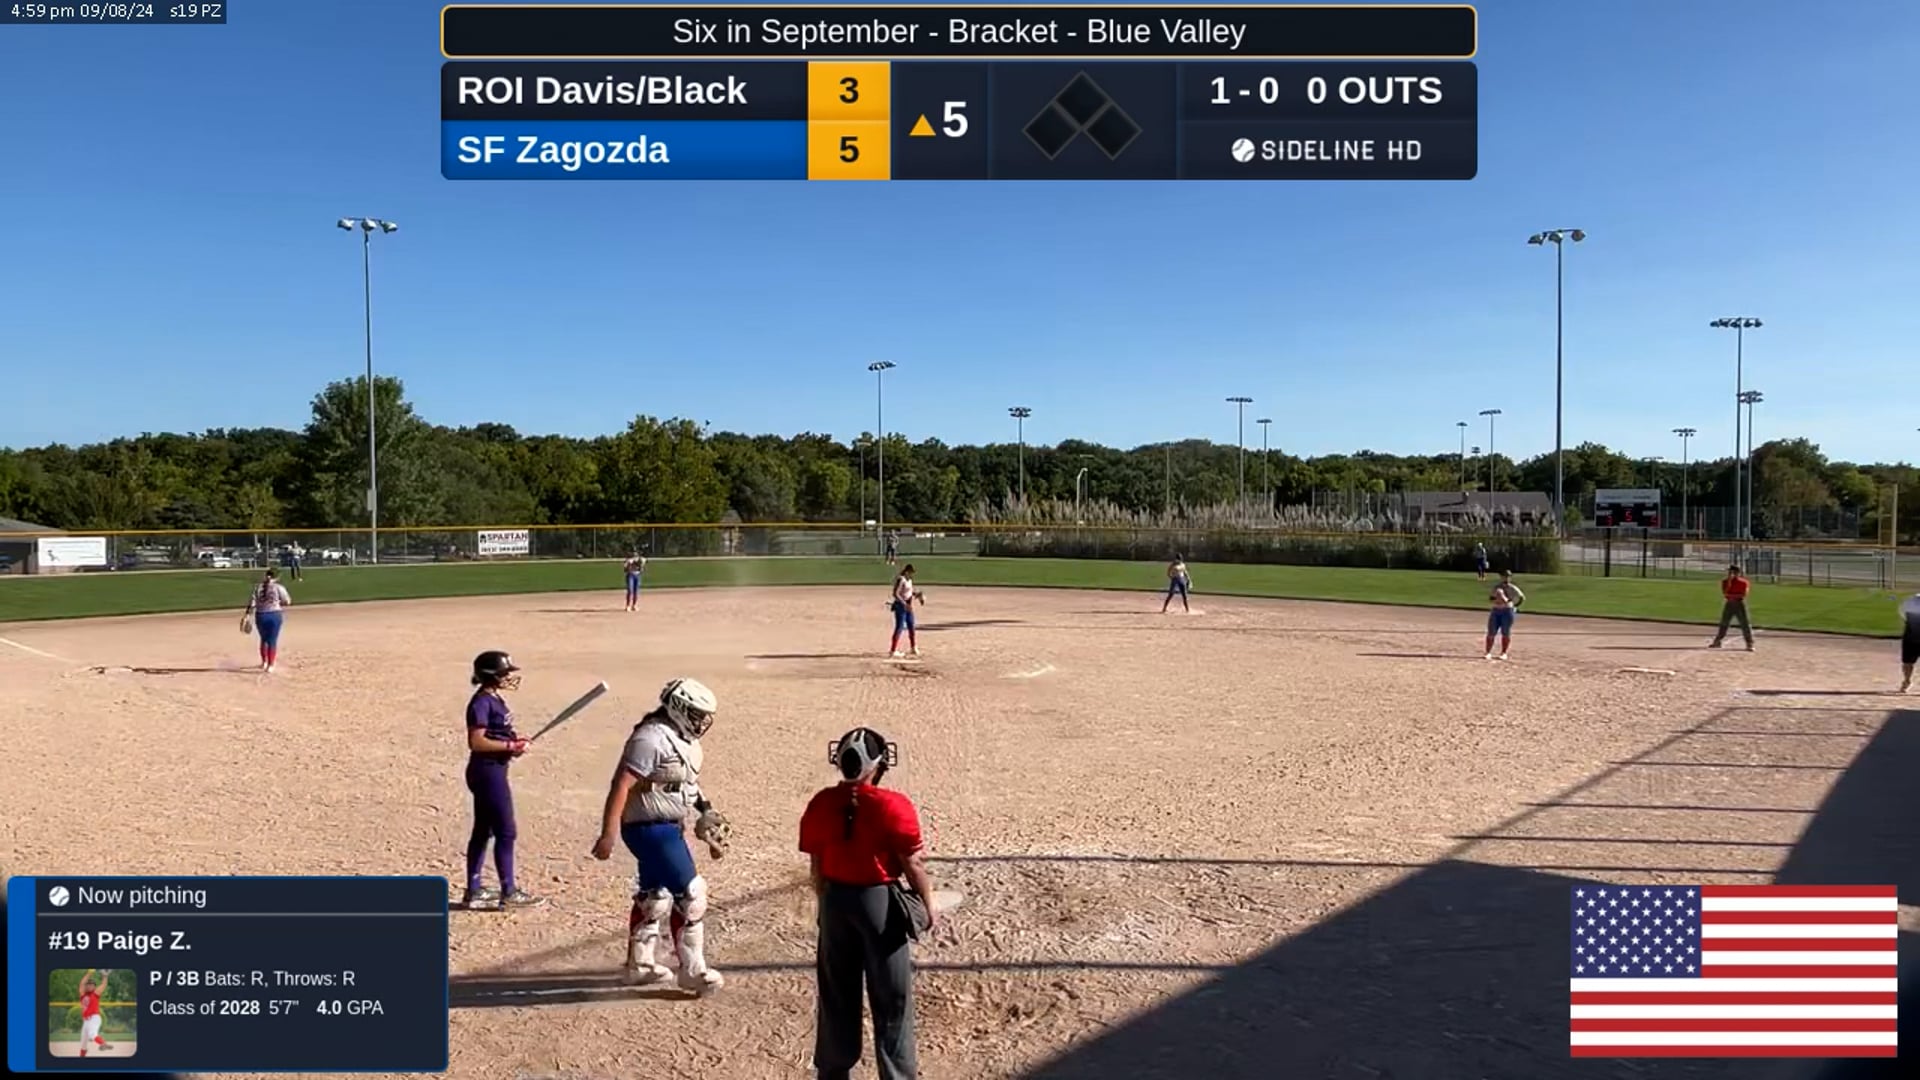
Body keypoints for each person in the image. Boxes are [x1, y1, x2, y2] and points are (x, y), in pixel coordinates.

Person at [801, 728, 938, 1080]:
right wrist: (928, 905)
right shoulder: (893, 805)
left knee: (836, 996)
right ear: (877, 765)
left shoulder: (821, 803)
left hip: (834, 901)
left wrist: (825, 904)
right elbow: (912, 863)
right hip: (880, 906)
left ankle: (833, 1073)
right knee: (892, 1000)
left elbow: (816, 863)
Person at [592, 677, 728, 993]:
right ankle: (692, 971)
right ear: (678, 707)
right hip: (648, 829)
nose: (702, 722)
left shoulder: (682, 739)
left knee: (655, 896)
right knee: (691, 894)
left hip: (667, 826)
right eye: (696, 714)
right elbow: (621, 784)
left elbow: (684, 783)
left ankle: (639, 966)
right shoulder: (650, 738)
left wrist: (705, 809)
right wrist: (608, 834)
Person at [462, 651, 543, 911]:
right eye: (504, 673)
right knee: (506, 831)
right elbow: (477, 742)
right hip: (488, 773)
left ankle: (474, 890)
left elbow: (497, 733)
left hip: (492, 770)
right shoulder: (481, 703)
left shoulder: (494, 698)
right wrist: (509, 746)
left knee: (483, 830)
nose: (509, 677)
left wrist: (514, 742)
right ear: (491, 675)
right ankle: (508, 891)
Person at [242, 568, 291, 673]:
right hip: (274, 615)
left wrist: (247, 615)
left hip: (260, 615)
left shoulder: (258, 587)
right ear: (277, 577)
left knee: (264, 639)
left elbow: (252, 604)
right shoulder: (278, 587)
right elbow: (287, 601)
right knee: (272, 640)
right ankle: (270, 665)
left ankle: (264, 662)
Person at [1710, 564, 1755, 651]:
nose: (1729, 573)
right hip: (1729, 604)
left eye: (1732, 572)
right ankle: (1718, 641)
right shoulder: (1725, 582)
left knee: (1745, 624)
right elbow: (1725, 593)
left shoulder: (1743, 582)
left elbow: (1743, 594)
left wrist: (1732, 595)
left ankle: (1749, 643)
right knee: (1724, 623)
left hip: (1740, 604)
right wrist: (1729, 582)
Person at [1484, 569, 1525, 661]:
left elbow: (1522, 597)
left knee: (1505, 632)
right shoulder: (1496, 587)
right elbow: (1491, 598)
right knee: (1491, 632)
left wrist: (1515, 606)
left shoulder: (1512, 588)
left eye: (1508, 576)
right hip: (1496, 610)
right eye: (1504, 576)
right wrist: (1497, 599)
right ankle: (1488, 652)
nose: (1506, 578)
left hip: (1507, 611)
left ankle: (1503, 653)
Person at [889, 564, 925, 658]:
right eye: (910, 572)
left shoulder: (909, 580)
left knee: (911, 626)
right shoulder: (901, 579)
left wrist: (918, 595)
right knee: (899, 627)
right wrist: (904, 604)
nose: (911, 574)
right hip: (900, 606)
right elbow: (895, 593)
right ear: (906, 571)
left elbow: (909, 592)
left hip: (908, 606)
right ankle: (893, 650)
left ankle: (913, 647)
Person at [77, 969, 112, 1056]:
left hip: (94, 1018)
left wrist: (105, 976)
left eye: (92, 985)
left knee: (92, 1034)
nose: (89, 986)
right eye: (88, 985)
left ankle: (103, 1044)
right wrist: (89, 973)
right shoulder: (83, 995)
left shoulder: (95, 994)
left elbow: (103, 985)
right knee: (83, 1043)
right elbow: (82, 983)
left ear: (94, 987)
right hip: (86, 1021)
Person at [1899, 591, 1920, 693]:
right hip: (1911, 635)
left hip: (1910, 633)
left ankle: (1907, 681)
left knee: (1907, 662)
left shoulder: (1909, 601)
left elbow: (1903, 615)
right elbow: (1903, 614)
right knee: (1907, 661)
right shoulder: (1910, 601)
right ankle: (1907, 680)